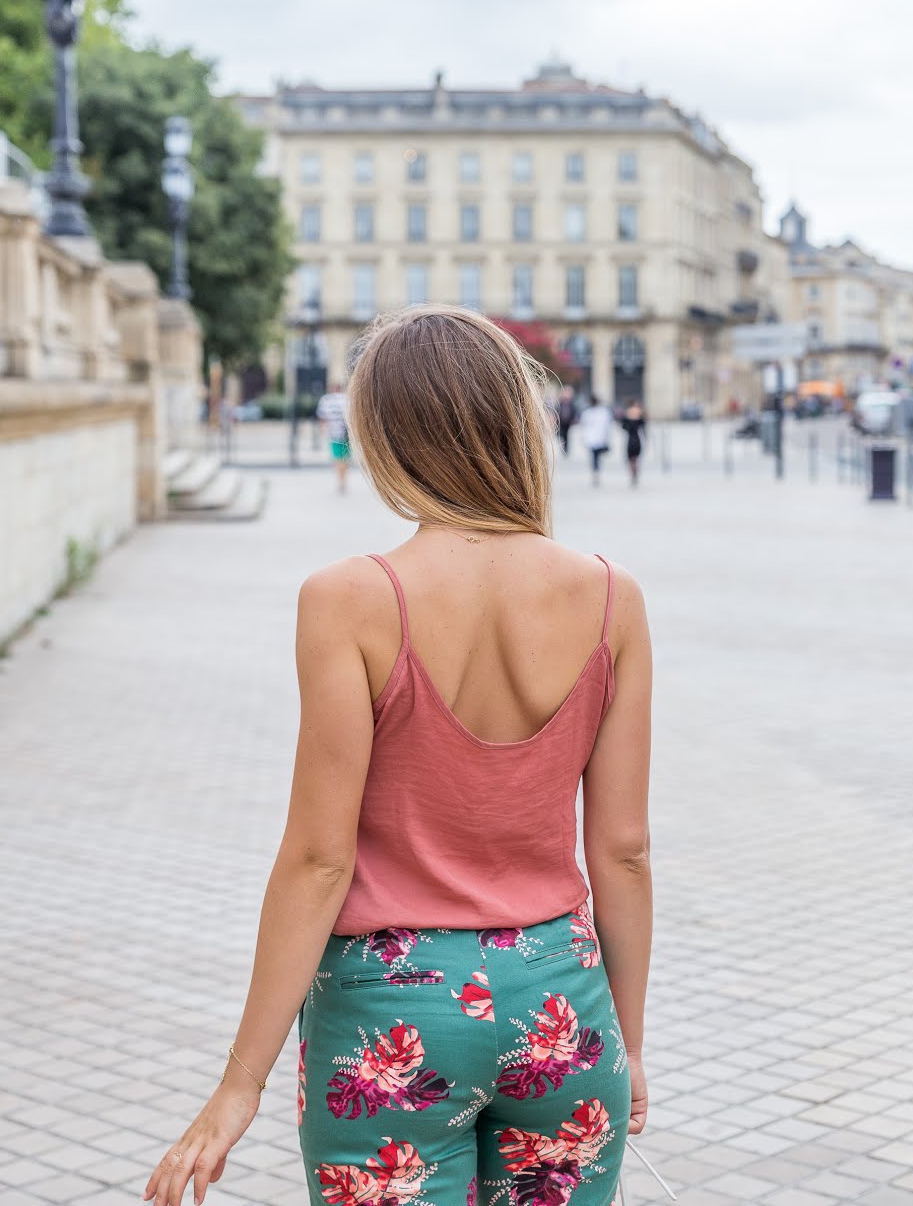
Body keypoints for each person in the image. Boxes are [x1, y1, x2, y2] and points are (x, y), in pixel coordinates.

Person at [143, 306, 654, 1206]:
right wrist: (627, 1042)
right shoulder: (612, 599)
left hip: (391, 1008)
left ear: (384, 437)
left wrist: (240, 1084)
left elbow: (317, 857)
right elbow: (621, 849)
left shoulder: (347, 600)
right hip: (561, 1005)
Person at [316, 381, 351, 494]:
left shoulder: (326, 400)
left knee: (337, 458)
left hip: (334, 434)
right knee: (345, 458)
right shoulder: (346, 399)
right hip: (347, 434)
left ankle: (341, 480)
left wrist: (322, 431)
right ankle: (343, 478)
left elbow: (322, 417)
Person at [579, 393, 615, 486]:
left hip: (594, 439)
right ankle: (596, 472)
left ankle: (596, 472)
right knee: (596, 457)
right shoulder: (603, 412)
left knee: (595, 457)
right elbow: (608, 426)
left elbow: (583, 427)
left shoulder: (588, 413)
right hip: (597, 439)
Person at [621, 400, 646, 487]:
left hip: (630, 440)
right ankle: (635, 475)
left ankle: (633, 475)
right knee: (635, 460)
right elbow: (643, 429)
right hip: (637, 439)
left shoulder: (627, 417)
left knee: (631, 460)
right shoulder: (639, 417)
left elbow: (623, 427)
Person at [556, 384, 577, 455]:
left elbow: (574, 411)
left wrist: (573, 419)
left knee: (566, 435)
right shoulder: (560, 403)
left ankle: (566, 449)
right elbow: (557, 411)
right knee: (561, 435)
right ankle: (563, 447)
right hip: (561, 421)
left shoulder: (571, 403)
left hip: (568, 421)